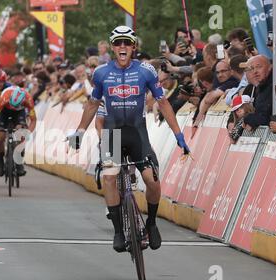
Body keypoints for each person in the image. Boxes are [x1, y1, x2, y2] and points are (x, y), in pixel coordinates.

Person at [68, 26, 190, 252]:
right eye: (117, 43)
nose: (122, 47)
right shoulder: (101, 73)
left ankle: (151, 224)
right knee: (109, 178)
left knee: (151, 179)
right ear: (112, 47)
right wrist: (80, 131)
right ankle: (117, 231)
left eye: (126, 43)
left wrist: (178, 134)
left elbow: (163, 102)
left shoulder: (145, 71)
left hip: (137, 132)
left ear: (134, 46)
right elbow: (93, 104)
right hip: (112, 132)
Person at [0, 86, 37, 178]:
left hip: (19, 113)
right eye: (12, 105)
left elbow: (33, 120)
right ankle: (0, 160)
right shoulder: (4, 98)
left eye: (15, 106)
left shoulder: (28, 100)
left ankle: (18, 161)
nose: (13, 107)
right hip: (4, 111)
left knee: (20, 132)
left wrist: (28, 132)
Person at [243, 55, 273, 131]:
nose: (255, 71)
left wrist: (247, 119)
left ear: (270, 67)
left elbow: (265, 119)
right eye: (252, 68)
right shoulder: (260, 86)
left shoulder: (274, 86)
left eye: (259, 67)